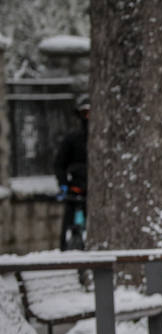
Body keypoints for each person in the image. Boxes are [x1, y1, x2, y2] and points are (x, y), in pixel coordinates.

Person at [53, 94, 90, 250]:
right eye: (84, 113)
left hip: (94, 193)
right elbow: (59, 164)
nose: (88, 117)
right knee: (68, 227)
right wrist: (63, 185)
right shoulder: (72, 139)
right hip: (75, 192)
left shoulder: (104, 138)